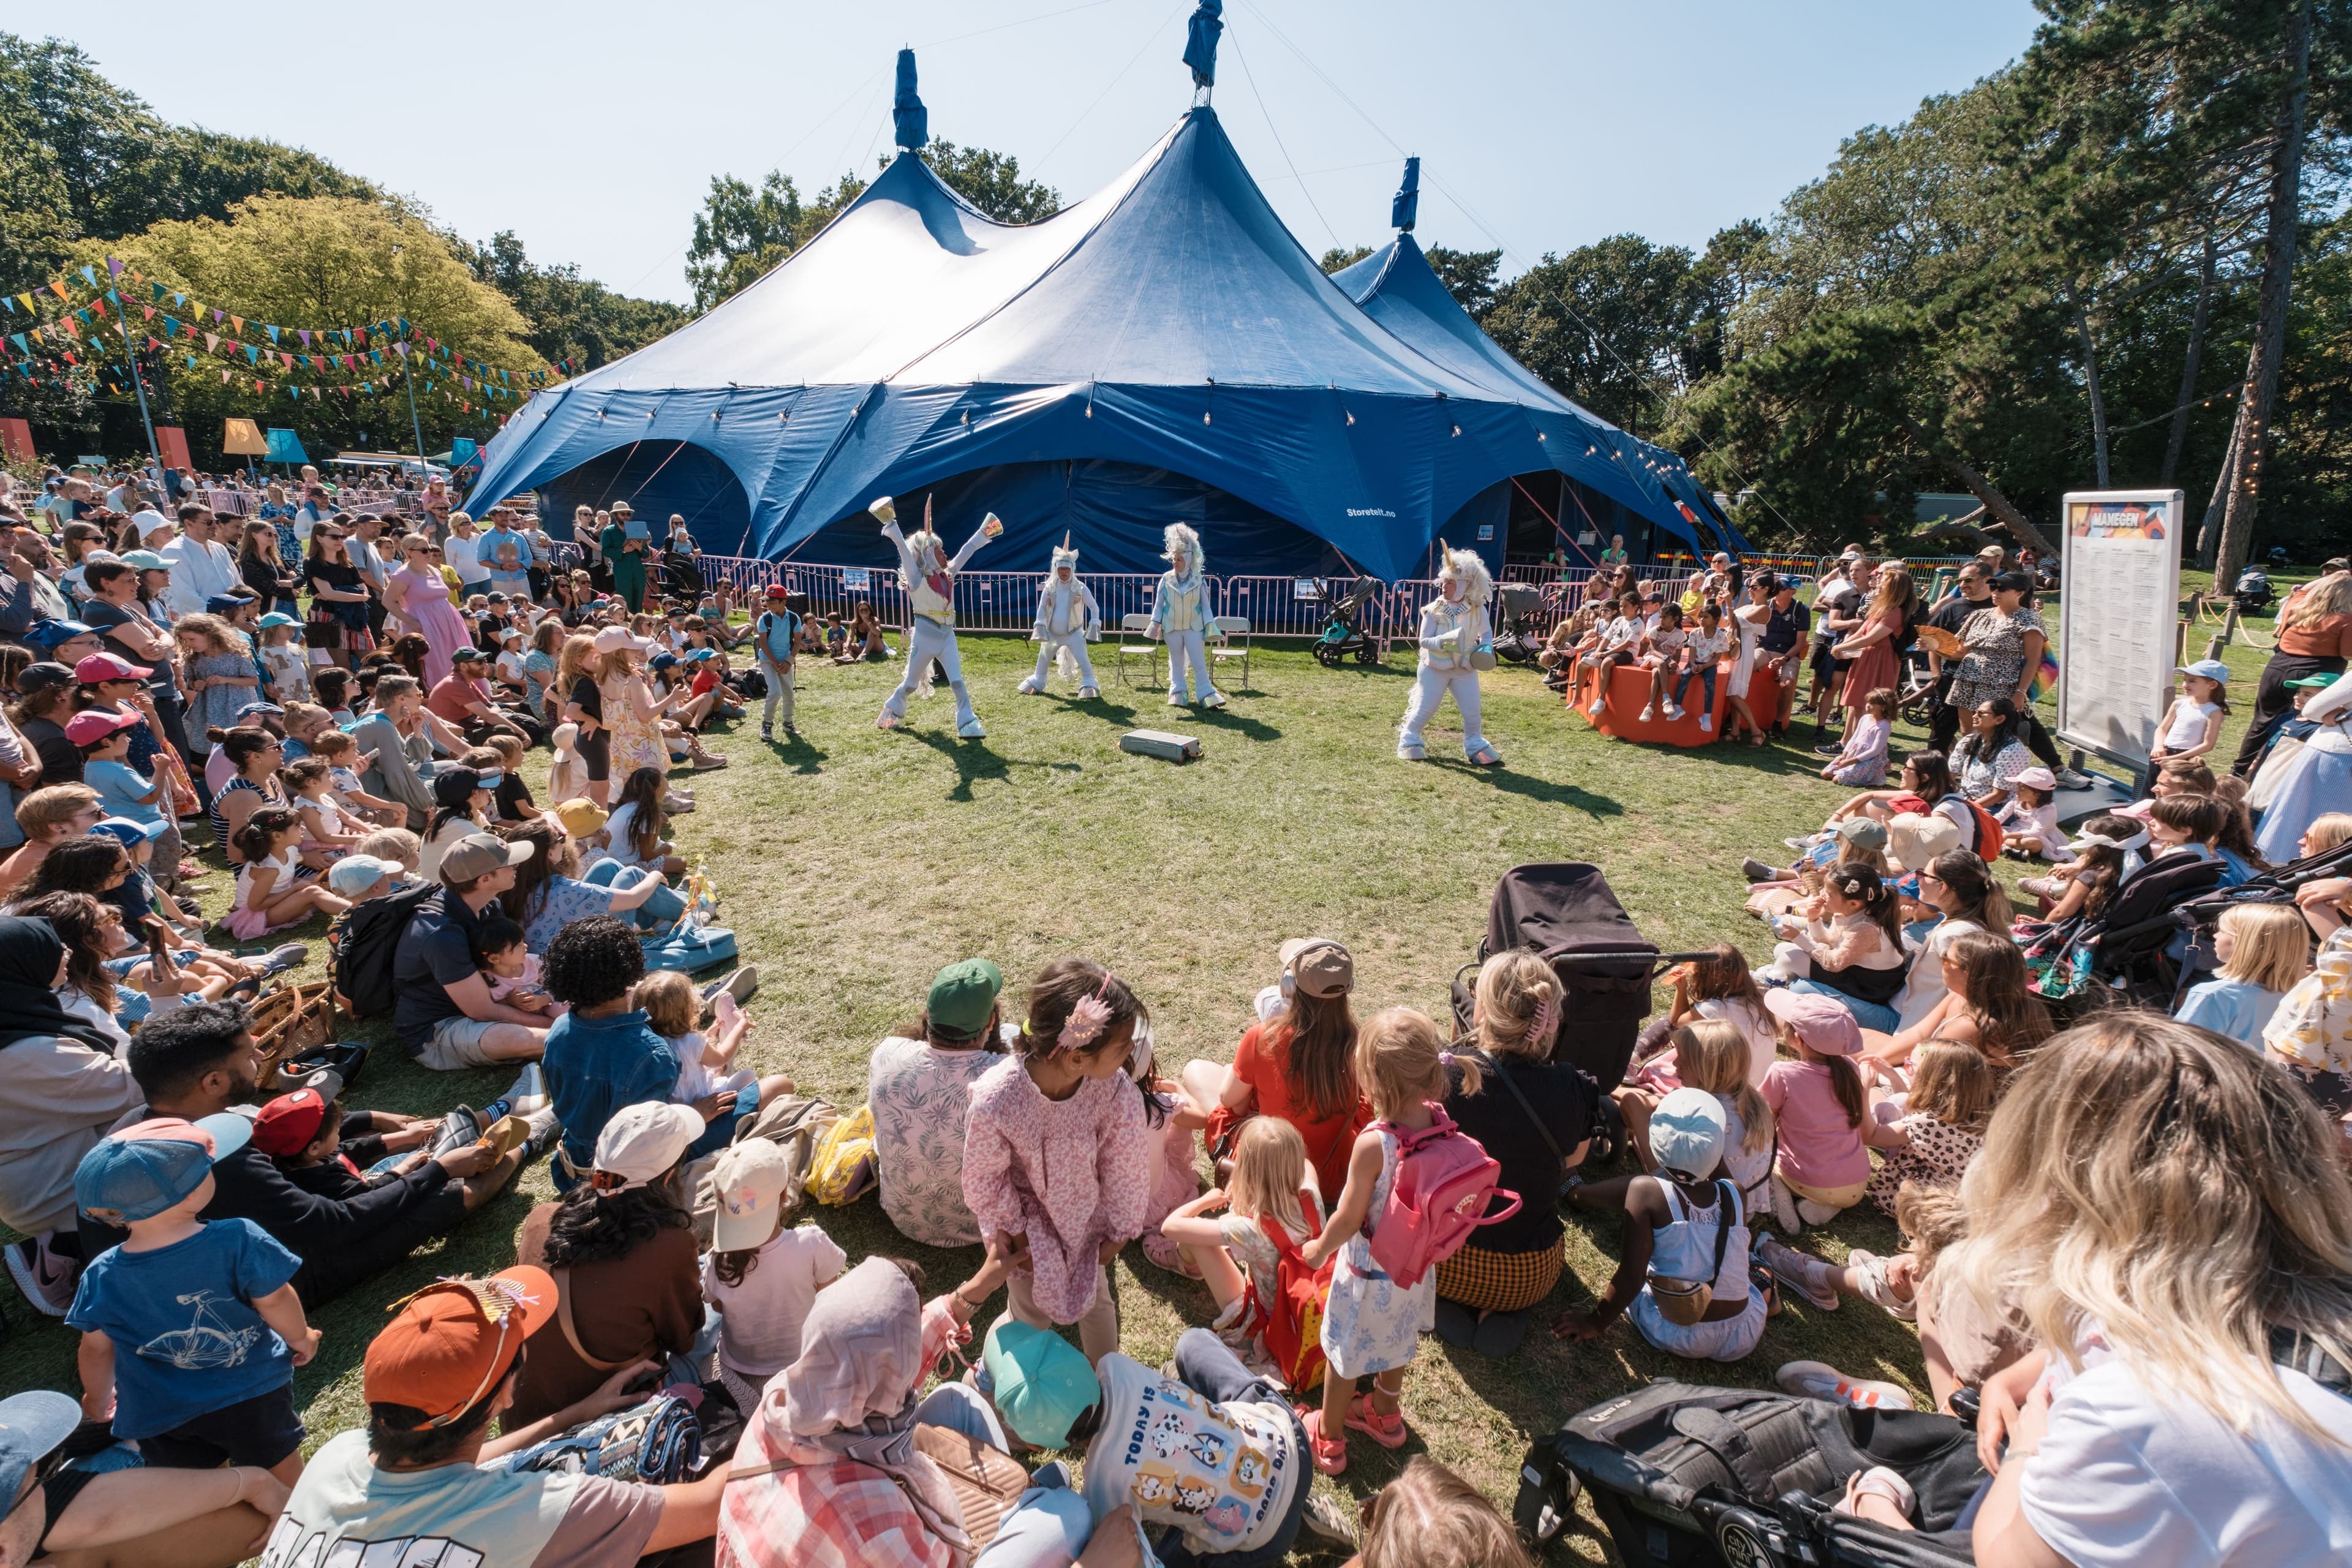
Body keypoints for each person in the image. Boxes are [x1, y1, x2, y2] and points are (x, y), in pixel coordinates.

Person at [1886, 1016, 2352, 1564]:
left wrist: (2031, 1435)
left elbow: (2006, 1558)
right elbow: (2114, 1337)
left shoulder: (2146, 1412)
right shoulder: (2259, 1297)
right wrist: (2018, 1378)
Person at [263, 1267, 725, 1568]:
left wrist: (570, 1417)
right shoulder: (531, 1513)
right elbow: (710, 1508)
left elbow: (458, 1466)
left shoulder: (334, 1457)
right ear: (506, 1391)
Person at [717, 1255, 1106, 1568]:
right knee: (1071, 1516)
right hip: (903, 1545)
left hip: (855, 1516)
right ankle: (1029, 1502)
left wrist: (980, 1284)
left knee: (956, 1397)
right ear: (890, 1368)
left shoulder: (789, 1394)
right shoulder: (874, 1527)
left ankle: (1026, 1497)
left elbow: (875, 1351)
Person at [67, 1114, 318, 1482]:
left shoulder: (100, 1274)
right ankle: (292, 1527)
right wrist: (301, 1338)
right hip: (249, 1394)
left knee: (205, 1489)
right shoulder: (237, 1237)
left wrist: (98, 1397)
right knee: (284, 1478)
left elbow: (95, 1349)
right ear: (192, 1191)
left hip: (159, 1412)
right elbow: (275, 1299)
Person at [1297, 1008, 1465, 1474]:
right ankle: (1385, 1415)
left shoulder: (1374, 1142)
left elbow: (1350, 1217)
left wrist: (1319, 1249)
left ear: (1373, 1081)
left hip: (1368, 1272)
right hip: (1414, 1267)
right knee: (1397, 1341)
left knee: (1345, 1352)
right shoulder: (1441, 1120)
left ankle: (1329, 1436)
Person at [962, 958, 1150, 1365]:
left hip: (1087, 1224)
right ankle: (995, 1375)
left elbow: (1127, 1165)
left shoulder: (1113, 1093)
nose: (1132, 1051)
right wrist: (1018, 1235)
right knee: (1030, 1314)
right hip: (1029, 1227)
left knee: (1097, 1300)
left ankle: (1111, 1378)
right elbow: (985, 1177)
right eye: (1123, 1045)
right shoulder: (997, 1100)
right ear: (1077, 1059)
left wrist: (1119, 1228)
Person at [508, 1101, 707, 1428]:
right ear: (670, 1176)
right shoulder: (670, 1247)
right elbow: (684, 1340)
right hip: (600, 1423)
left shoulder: (540, 1218)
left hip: (521, 1420)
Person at [1432, 954, 1593, 1355]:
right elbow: (1572, 1163)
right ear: (1552, 1019)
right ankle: (1503, 1307)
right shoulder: (1575, 1089)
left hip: (1444, 1257)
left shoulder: (1448, 1077)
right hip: (1531, 1271)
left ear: (1481, 1011)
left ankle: (1450, 1298)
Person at [1553, 1087, 1768, 1364]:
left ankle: (1577, 1193)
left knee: (1644, 1189)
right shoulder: (1736, 1192)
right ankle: (1579, 1194)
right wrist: (1707, 1147)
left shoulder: (1648, 1193)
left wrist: (1595, 1322)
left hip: (1677, 1330)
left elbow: (1632, 1276)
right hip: (1741, 1334)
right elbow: (1717, 1172)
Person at [0, 913, 146, 1316]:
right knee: (178, 1116)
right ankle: (65, 1251)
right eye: (49, 946)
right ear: (18, 965)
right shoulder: (27, 1055)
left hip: (44, 1174)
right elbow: (142, 1085)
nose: (66, 950)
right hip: (59, 1192)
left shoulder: (18, 1018)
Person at [537, 916, 748, 1190]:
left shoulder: (559, 1030)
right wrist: (695, 1112)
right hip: (627, 1179)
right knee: (772, 1089)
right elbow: (652, 1138)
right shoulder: (651, 1053)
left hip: (571, 1168)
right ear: (630, 969)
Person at [1182, 938, 1366, 1201]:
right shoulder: (1361, 1042)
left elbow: (1229, 1101)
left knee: (1196, 1070)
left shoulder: (1264, 1037)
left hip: (1276, 1172)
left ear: (1288, 988)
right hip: (1336, 1178)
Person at [703, 1138, 848, 1414]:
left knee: (703, 1365)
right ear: (784, 1196)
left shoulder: (717, 1261)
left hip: (738, 1368)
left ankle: (751, 1405)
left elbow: (718, 1307)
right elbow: (832, 1301)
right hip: (801, 1363)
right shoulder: (811, 1243)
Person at [869, 957, 1006, 1249]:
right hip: (981, 1225)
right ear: (991, 1022)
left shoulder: (887, 1053)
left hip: (903, 1215)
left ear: (928, 1016)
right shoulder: (1007, 1078)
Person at [391, 831, 550, 1070]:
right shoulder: (440, 934)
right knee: (527, 1038)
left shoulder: (488, 905)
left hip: (494, 1001)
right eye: (509, 864)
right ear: (484, 879)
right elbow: (482, 1011)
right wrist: (550, 1024)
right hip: (439, 1028)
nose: (516, 867)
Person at [874, 496, 998, 736]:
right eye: (939, 550)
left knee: (958, 682)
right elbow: (906, 554)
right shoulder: (916, 580)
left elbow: (967, 550)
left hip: (946, 635)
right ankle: (891, 711)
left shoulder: (949, 574)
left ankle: (968, 723)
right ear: (928, 555)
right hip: (923, 637)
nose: (945, 554)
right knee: (910, 684)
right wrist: (893, 527)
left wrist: (986, 532)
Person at [1758, 990, 1882, 1231]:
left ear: (1797, 1038)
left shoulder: (1783, 1073)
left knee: (1764, 1160)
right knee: (1834, 1187)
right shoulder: (1850, 1068)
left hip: (1807, 1180)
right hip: (1856, 1185)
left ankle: (1780, 1194)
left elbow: (1764, 1123)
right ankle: (1824, 1208)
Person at [2231, 566, 2352, 776]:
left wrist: (2331, 578)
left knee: (2261, 721)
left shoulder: (2297, 607)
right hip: (2313, 675)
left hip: (2277, 668)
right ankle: (2274, 775)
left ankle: (2239, 771)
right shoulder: (2345, 620)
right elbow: (2348, 654)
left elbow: (2303, 589)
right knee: (2301, 726)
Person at [1399, 546, 1499, 764]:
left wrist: (1485, 648)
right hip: (1435, 667)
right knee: (1426, 708)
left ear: (1466, 585)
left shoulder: (1477, 608)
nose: (1445, 586)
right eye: (1444, 581)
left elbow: (1487, 633)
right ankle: (1409, 738)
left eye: (1451, 582)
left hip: (1465, 668)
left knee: (1473, 711)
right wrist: (1445, 642)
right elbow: (1424, 641)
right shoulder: (1433, 610)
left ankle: (1475, 743)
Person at [2176, 902, 2312, 1047]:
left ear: (2243, 942)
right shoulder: (2302, 996)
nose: (2215, 935)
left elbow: (2180, 1051)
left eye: (2222, 931)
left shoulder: (2213, 995)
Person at [2253, 668, 2352, 864]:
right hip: (2336, 752)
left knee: (2300, 818)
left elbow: (2313, 709)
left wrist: (2335, 710)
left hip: (2335, 755)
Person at [1148, 522, 1226, 712]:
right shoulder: (1166, 579)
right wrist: (1155, 623)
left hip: (1194, 627)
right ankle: (1178, 693)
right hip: (1172, 628)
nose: (1175, 563)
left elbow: (1206, 607)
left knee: (1199, 662)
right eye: (1174, 559)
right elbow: (1159, 604)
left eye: (1179, 559)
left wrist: (1210, 625)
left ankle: (1206, 694)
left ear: (1189, 559)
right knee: (1176, 662)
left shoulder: (1199, 579)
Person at [382, 535, 471, 685]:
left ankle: (464, 690)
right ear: (410, 552)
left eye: (430, 549)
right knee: (434, 662)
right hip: (424, 624)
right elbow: (387, 601)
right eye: (424, 550)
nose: (429, 553)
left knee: (455, 657)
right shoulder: (404, 574)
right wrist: (410, 621)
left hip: (448, 622)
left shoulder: (434, 570)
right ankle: (439, 695)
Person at [2150, 659, 2231, 767]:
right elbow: (2162, 729)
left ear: (2212, 685)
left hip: (2185, 760)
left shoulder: (2214, 713)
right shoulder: (2178, 704)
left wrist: (2173, 758)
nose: (2185, 685)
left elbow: (2208, 744)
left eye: (2192, 681)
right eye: (2185, 680)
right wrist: (2158, 746)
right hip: (2161, 754)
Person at [1820, 687, 1894, 786]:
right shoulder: (1865, 718)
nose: (1867, 706)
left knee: (1837, 780)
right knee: (1825, 774)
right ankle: (1849, 772)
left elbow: (1875, 751)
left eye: (1872, 704)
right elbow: (1854, 738)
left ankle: (1868, 778)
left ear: (1884, 707)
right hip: (1852, 754)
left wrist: (1850, 761)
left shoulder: (1884, 726)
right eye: (1867, 703)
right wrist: (1844, 754)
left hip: (1868, 760)